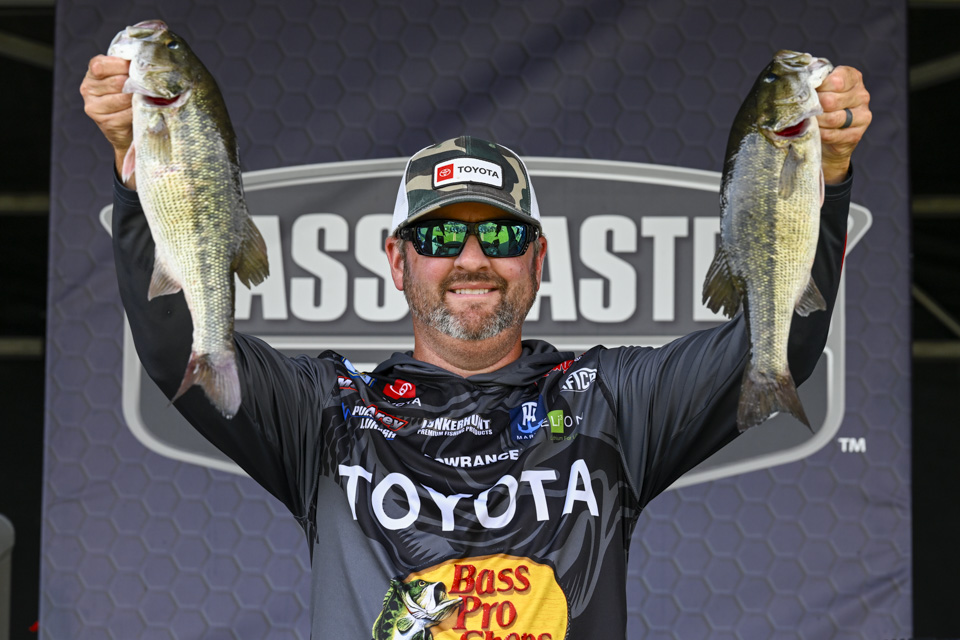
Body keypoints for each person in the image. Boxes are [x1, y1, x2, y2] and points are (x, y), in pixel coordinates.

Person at [81, 53, 870, 639]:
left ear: (536, 259)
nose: (471, 259)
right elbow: (179, 347)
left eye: (499, 234)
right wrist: (143, 171)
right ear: (398, 261)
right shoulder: (326, 413)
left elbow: (777, 349)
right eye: (437, 237)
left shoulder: (613, 401)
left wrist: (822, 180)